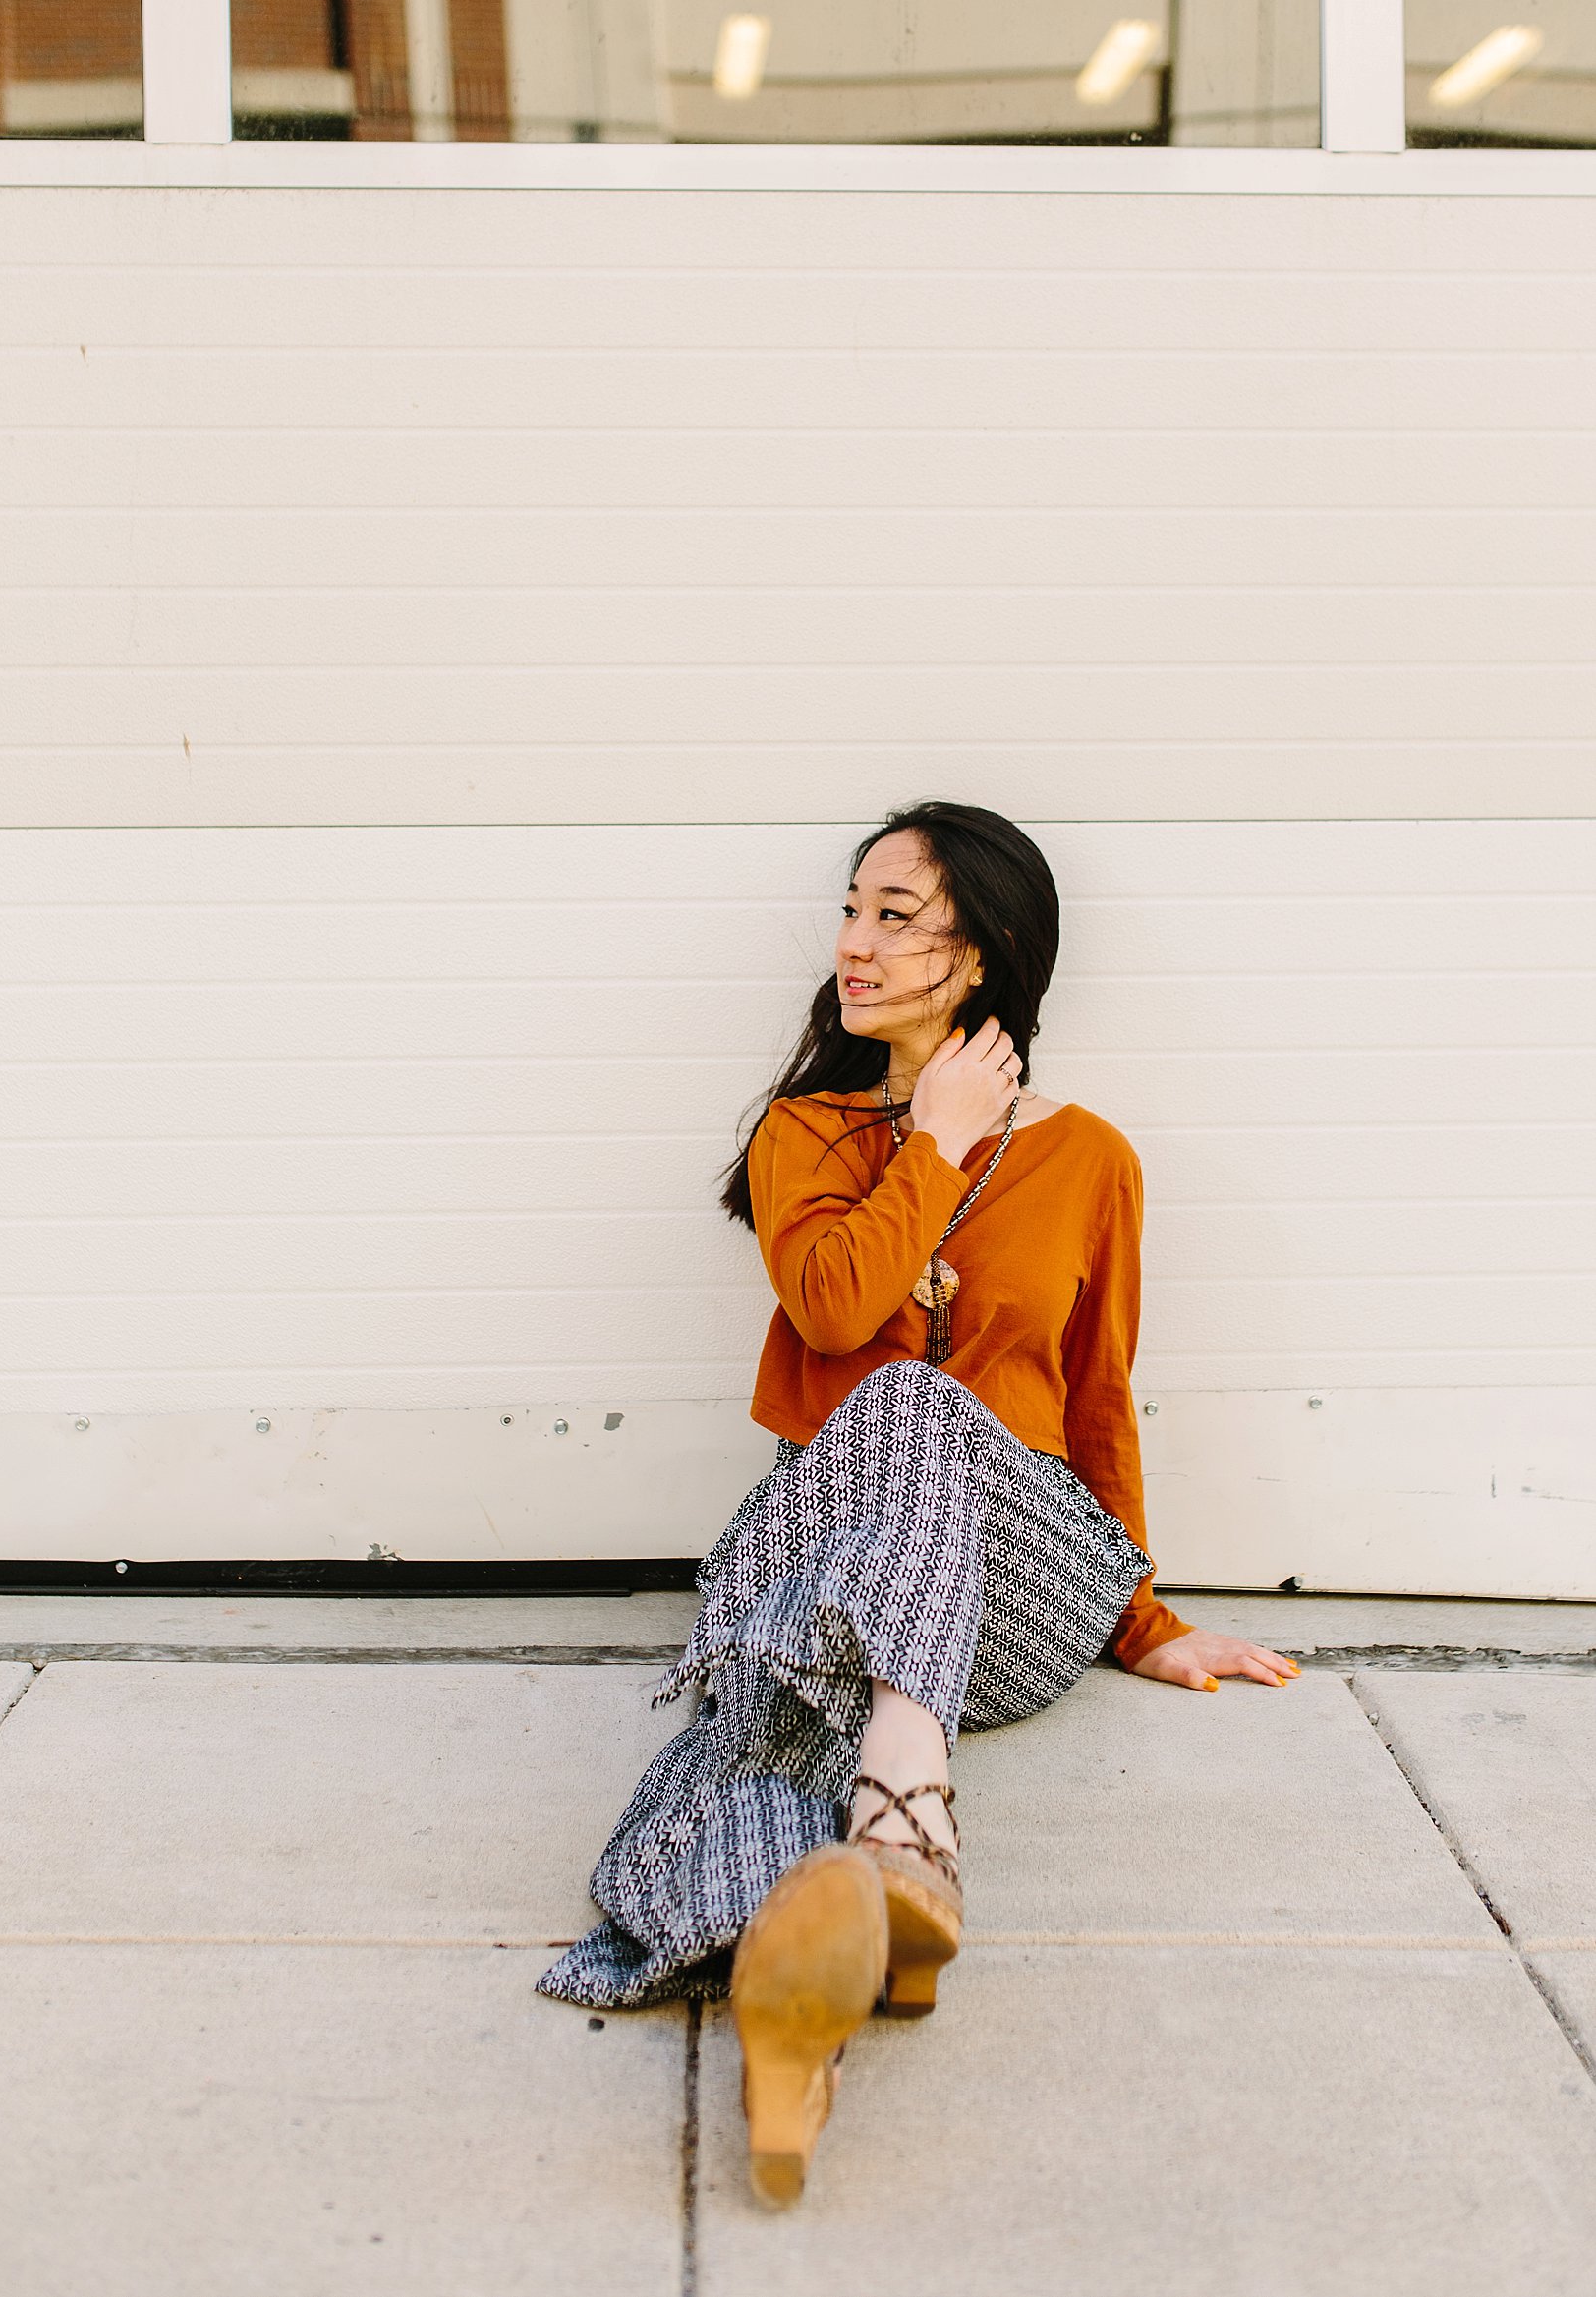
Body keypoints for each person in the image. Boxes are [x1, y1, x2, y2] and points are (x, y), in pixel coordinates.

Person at [536, 800, 1289, 2204]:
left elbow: (1099, 1394)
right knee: (747, 1754)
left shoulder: (1092, 1159)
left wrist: (1144, 1621)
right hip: (849, 1569)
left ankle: (897, 1796)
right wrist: (930, 1138)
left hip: (1024, 1577)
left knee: (909, 1404)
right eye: (851, 908)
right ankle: (799, 2003)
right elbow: (833, 1303)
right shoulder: (807, 1134)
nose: (853, 944)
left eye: (897, 914)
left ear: (987, 953)